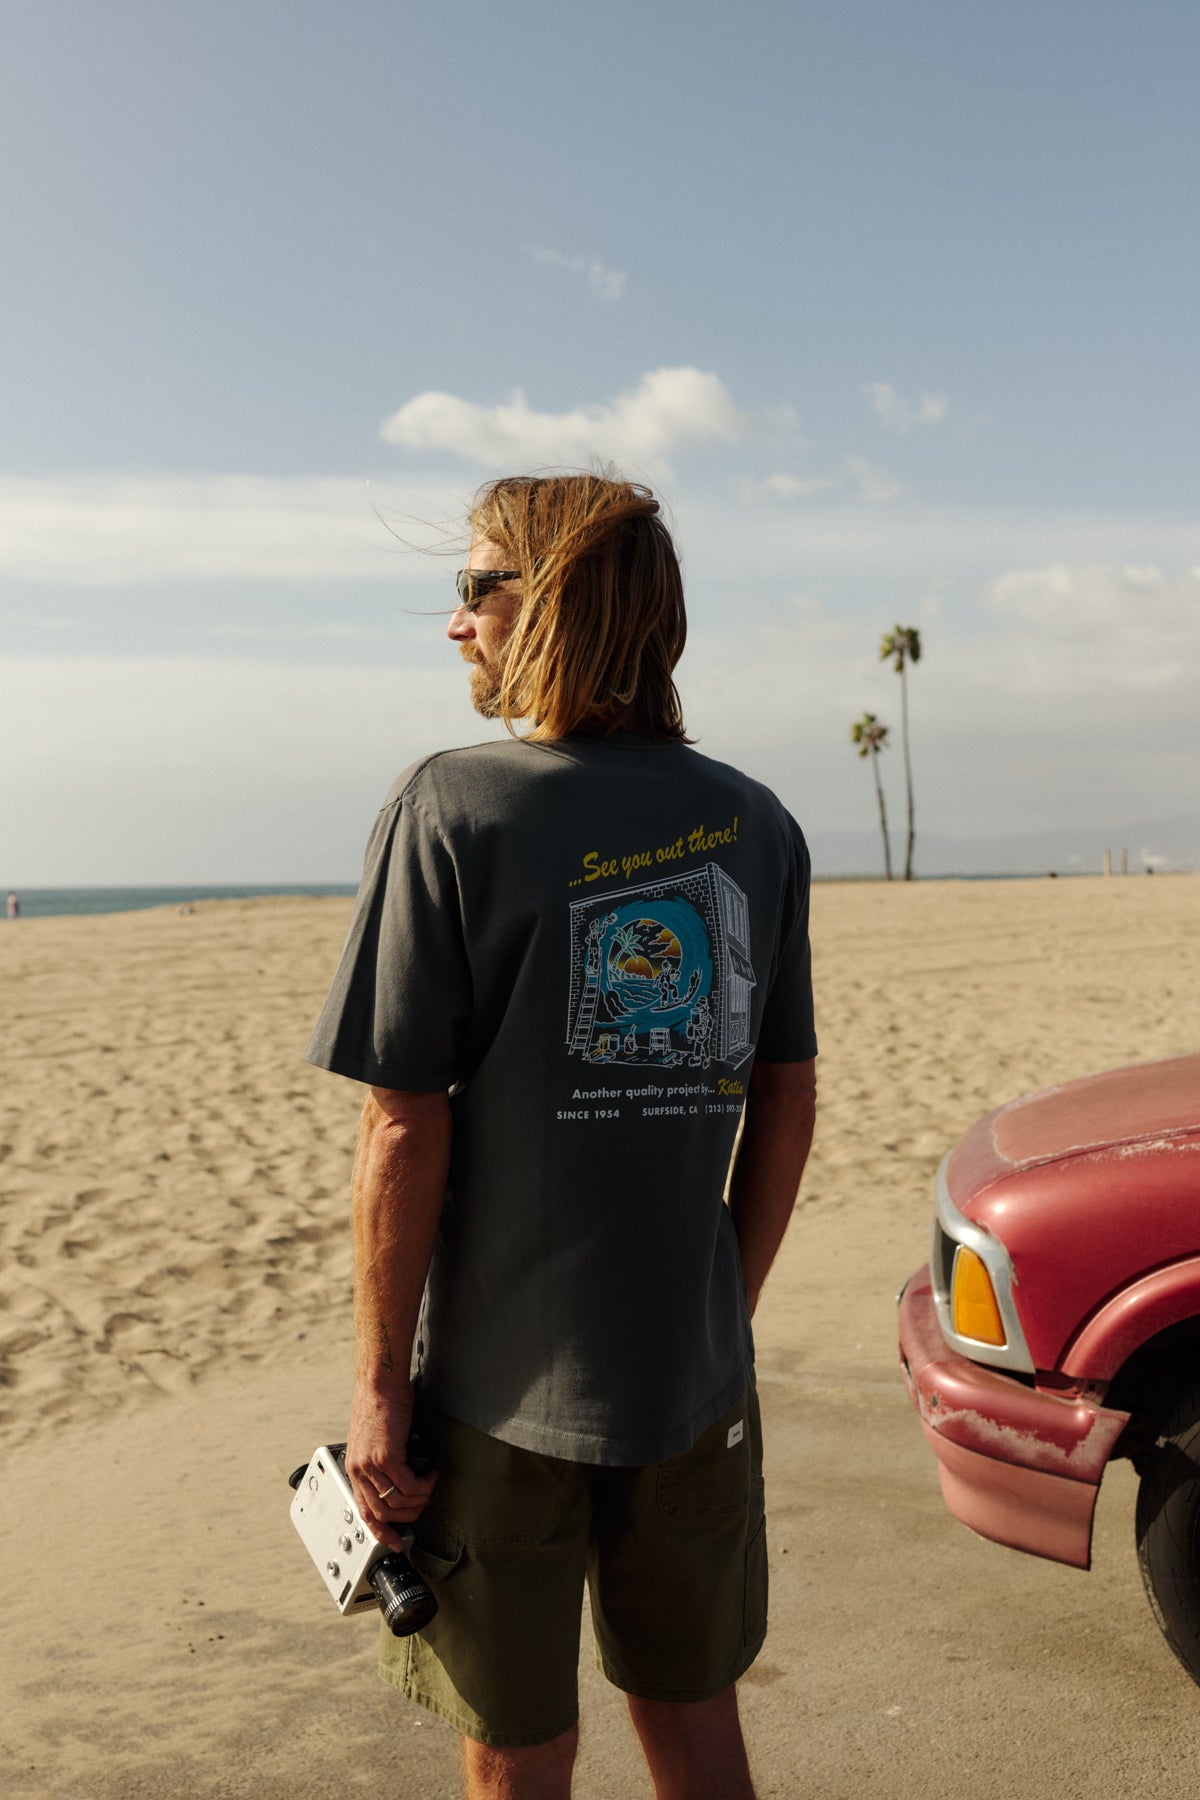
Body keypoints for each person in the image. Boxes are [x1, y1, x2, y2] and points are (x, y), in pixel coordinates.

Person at [304, 471, 817, 1800]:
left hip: (499, 1396)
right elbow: (788, 1091)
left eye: (475, 587)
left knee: (520, 1745)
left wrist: (377, 1393)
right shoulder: (757, 823)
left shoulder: (457, 808)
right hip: (693, 1382)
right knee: (695, 1716)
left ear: (547, 605)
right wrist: (726, 1305)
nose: (456, 623)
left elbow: (402, 1127)